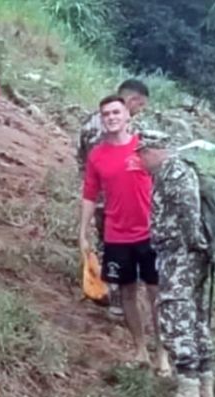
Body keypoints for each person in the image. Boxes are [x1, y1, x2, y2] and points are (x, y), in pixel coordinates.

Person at [79, 95, 170, 374]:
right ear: (101, 119)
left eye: (116, 112)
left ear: (127, 115)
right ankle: (140, 350)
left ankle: (162, 355)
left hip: (150, 233)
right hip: (116, 235)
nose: (111, 117)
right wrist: (82, 231)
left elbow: (168, 181)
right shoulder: (96, 155)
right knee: (128, 294)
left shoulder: (144, 147)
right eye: (105, 114)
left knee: (156, 294)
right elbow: (89, 195)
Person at [138, 143, 214, 397]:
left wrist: (193, 245)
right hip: (182, 254)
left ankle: (188, 393)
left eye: (141, 153)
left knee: (176, 316)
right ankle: (205, 386)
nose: (140, 160)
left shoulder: (175, 173)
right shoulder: (173, 172)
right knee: (195, 318)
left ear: (153, 150)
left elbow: (189, 213)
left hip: (181, 255)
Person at [76, 79, 150, 316]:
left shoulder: (89, 122)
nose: (140, 111)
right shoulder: (117, 132)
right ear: (132, 102)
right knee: (115, 249)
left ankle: (110, 293)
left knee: (107, 247)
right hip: (110, 199)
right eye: (140, 106)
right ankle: (114, 298)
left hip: (101, 196)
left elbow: (81, 160)